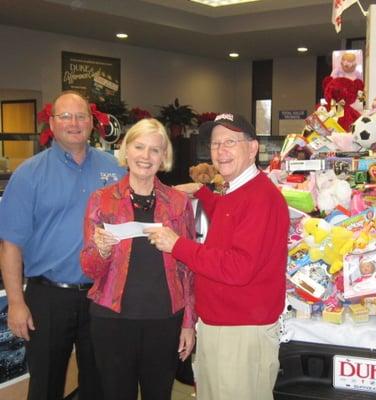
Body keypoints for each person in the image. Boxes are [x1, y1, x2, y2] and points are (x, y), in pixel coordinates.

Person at [146, 113, 290, 400]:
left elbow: (238, 267)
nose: (221, 151)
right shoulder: (238, 190)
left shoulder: (261, 198)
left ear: (252, 148)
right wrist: (203, 193)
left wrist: (177, 245)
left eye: (230, 142)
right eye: (215, 144)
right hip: (222, 327)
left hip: (240, 333)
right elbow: (231, 218)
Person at [0, 90, 124, 400]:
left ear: (92, 123)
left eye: (81, 116)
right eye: (65, 116)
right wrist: (16, 302)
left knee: (100, 384)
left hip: (101, 295)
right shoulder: (29, 174)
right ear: (52, 124)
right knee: (46, 386)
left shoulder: (115, 169)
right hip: (48, 297)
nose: (74, 122)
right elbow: (10, 245)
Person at [80, 118, 196, 400]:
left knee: (159, 394)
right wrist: (102, 250)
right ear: (126, 150)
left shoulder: (178, 204)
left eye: (155, 150)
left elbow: (188, 269)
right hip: (112, 319)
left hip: (164, 320)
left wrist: (188, 324)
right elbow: (89, 268)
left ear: (164, 157)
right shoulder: (102, 200)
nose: (146, 156)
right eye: (139, 147)